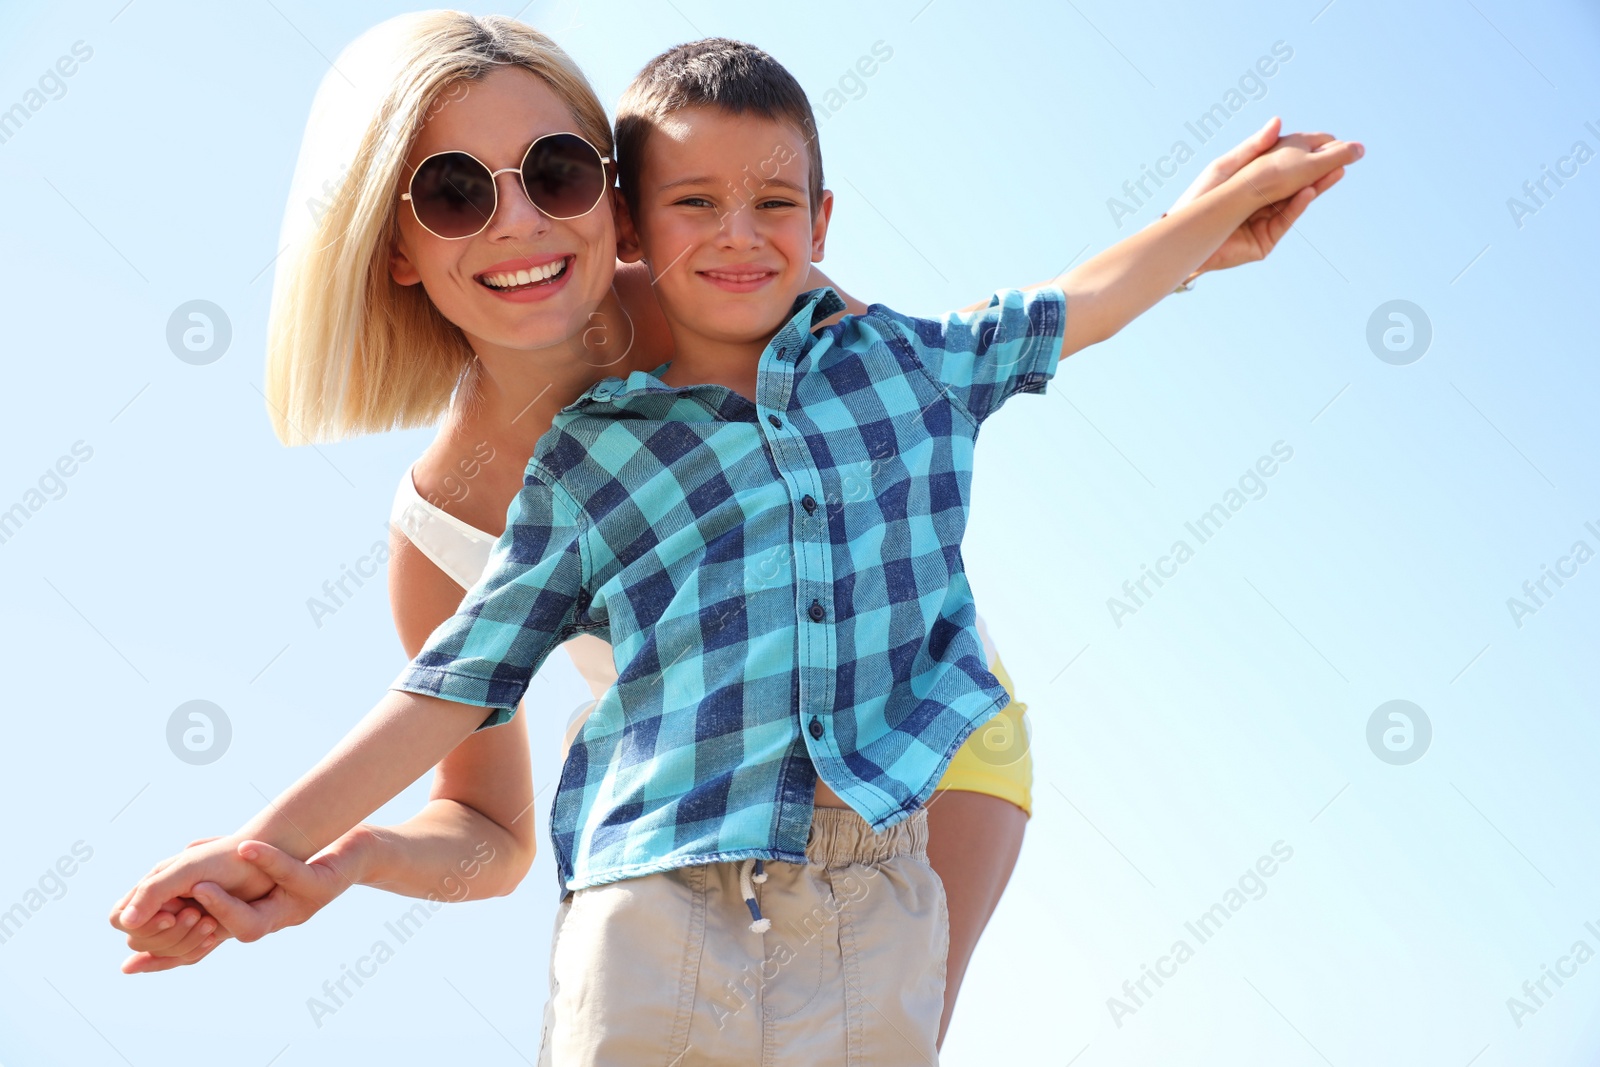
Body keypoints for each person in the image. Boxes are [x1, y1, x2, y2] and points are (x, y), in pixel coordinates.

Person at [110, 18, 1360, 1065]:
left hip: (926, 742)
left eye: (554, 170)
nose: (520, 224)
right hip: (696, 825)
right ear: (395, 244)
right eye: (452, 192)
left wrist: (1197, 238)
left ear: (612, 195)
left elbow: (989, 342)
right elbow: (484, 828)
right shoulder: (453, 523)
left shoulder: (746, 289)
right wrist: (335, 855)